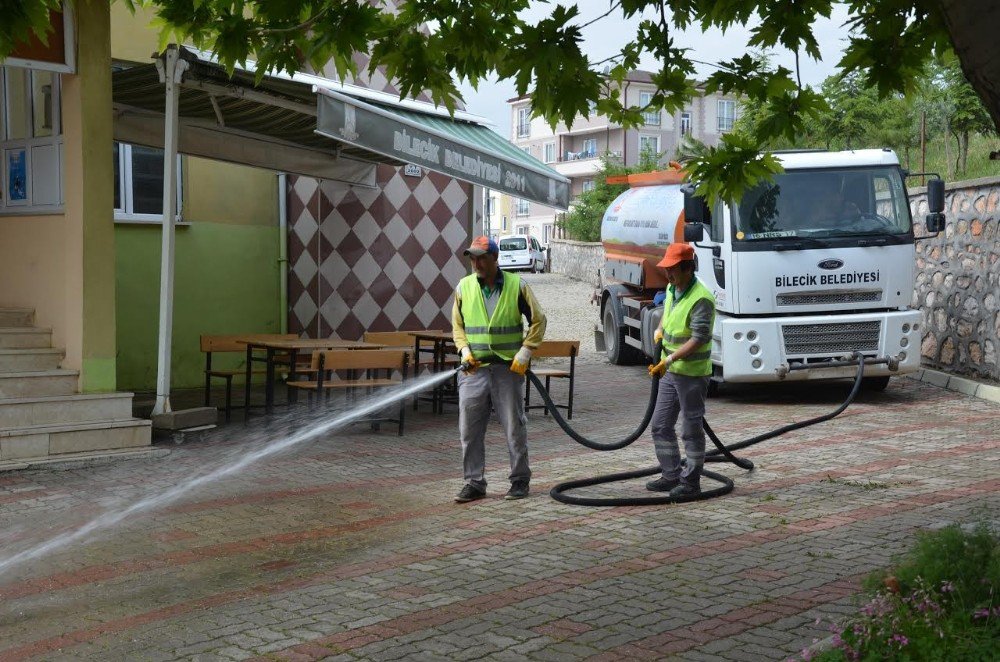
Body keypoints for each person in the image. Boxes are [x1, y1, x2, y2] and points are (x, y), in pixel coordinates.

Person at [452, 235, 547, 503]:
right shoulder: (463, 287)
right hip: (474, 370)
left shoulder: (518, 286)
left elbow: (539, 320)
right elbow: (457, 326)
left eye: (482, 257)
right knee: (468, 430)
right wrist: (464, 351)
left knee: (514, 426)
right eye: (472, 257)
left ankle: (519, 480)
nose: (476, 262)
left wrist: (525, 352)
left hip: (507, 369)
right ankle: (473, 482)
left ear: (495, 258)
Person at [646, 242, 716, 497]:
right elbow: (669, 310)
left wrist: (670, 359)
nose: (668, 274)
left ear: (688, 268)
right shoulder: (673, 289)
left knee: (690, 429)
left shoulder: (702, 299)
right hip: (671, 370)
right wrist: (660, 329)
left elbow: (698, 338)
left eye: (673, 269)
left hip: (692, 374)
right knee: (660, 424)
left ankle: (691, 482)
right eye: (667, 269)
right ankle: (671, 474)